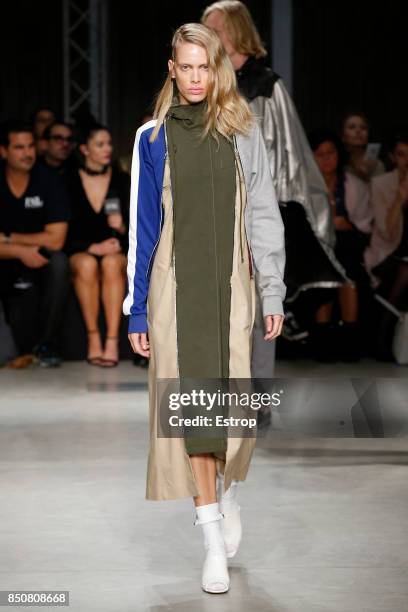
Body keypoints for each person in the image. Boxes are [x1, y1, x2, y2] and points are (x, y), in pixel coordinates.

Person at [123, 24, 285, 594]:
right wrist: (136, 308)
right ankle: (211, 536)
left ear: (220, 71)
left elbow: (263, 214)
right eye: (185, 67)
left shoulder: (244, 132)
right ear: (172, 68)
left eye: (204, 67)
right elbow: (143, 228)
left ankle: (229, 491)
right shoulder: (153, 138)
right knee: (191, 411)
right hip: (174, 289)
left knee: (233, 412)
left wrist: (273, 287)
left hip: (233, 286)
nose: (195, 78)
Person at [202, 0, 346, 373]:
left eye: (215, 29)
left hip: (254, 208)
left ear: (235, 31)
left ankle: (256, 395)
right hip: (211, 207)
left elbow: (288, 155)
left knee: (256, 304)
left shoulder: (267, 86)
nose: (209, 37)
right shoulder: (204, 83)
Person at [0, 120, 70, 366]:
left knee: (60, 263)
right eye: (19, 147)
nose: (27, 153)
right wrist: (18, 251)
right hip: (6, 259)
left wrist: (8, 238)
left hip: (39, 258)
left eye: (30, 146)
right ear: (3, 151)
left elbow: (57, 238)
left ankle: (46, 344)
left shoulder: (48, 180)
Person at [65, 124, 129, 367]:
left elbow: (137, 228)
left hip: (115, 251)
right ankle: (93, 338)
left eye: (109, 144)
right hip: (81, 250)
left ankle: (112, 341)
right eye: (100, 144)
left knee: (112, 263)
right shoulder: (68, 180)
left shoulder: (122, 180)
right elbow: (62, 230)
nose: (107, 149)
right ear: (84, 149)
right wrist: (91, 247)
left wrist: (121, 228)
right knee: (86, 264)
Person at [310, 129, 372, 360]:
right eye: (320, 154)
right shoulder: (304, 186)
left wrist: (345, 225)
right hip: (313, 248)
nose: (326, 158)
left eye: (331, 152)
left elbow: (366, 227)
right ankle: (322, 338)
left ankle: (348, 338)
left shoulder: (354, 185)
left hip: (349, 246)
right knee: (328, 263)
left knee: (345, 263)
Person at [364, 130, 408, 358]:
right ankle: (382, 337)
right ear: (393, 157)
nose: (406, 161)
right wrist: (400, 198)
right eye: (402, 155)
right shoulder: (381, 184)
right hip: (387, 251)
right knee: (405, 272)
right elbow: (386, 231)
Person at [341, 112, 385, 182]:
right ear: (343, 136)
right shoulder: (337, 164)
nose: (358, 131)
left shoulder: (377, 165)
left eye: (363, 128)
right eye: (352, 127)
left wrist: (365, 177)